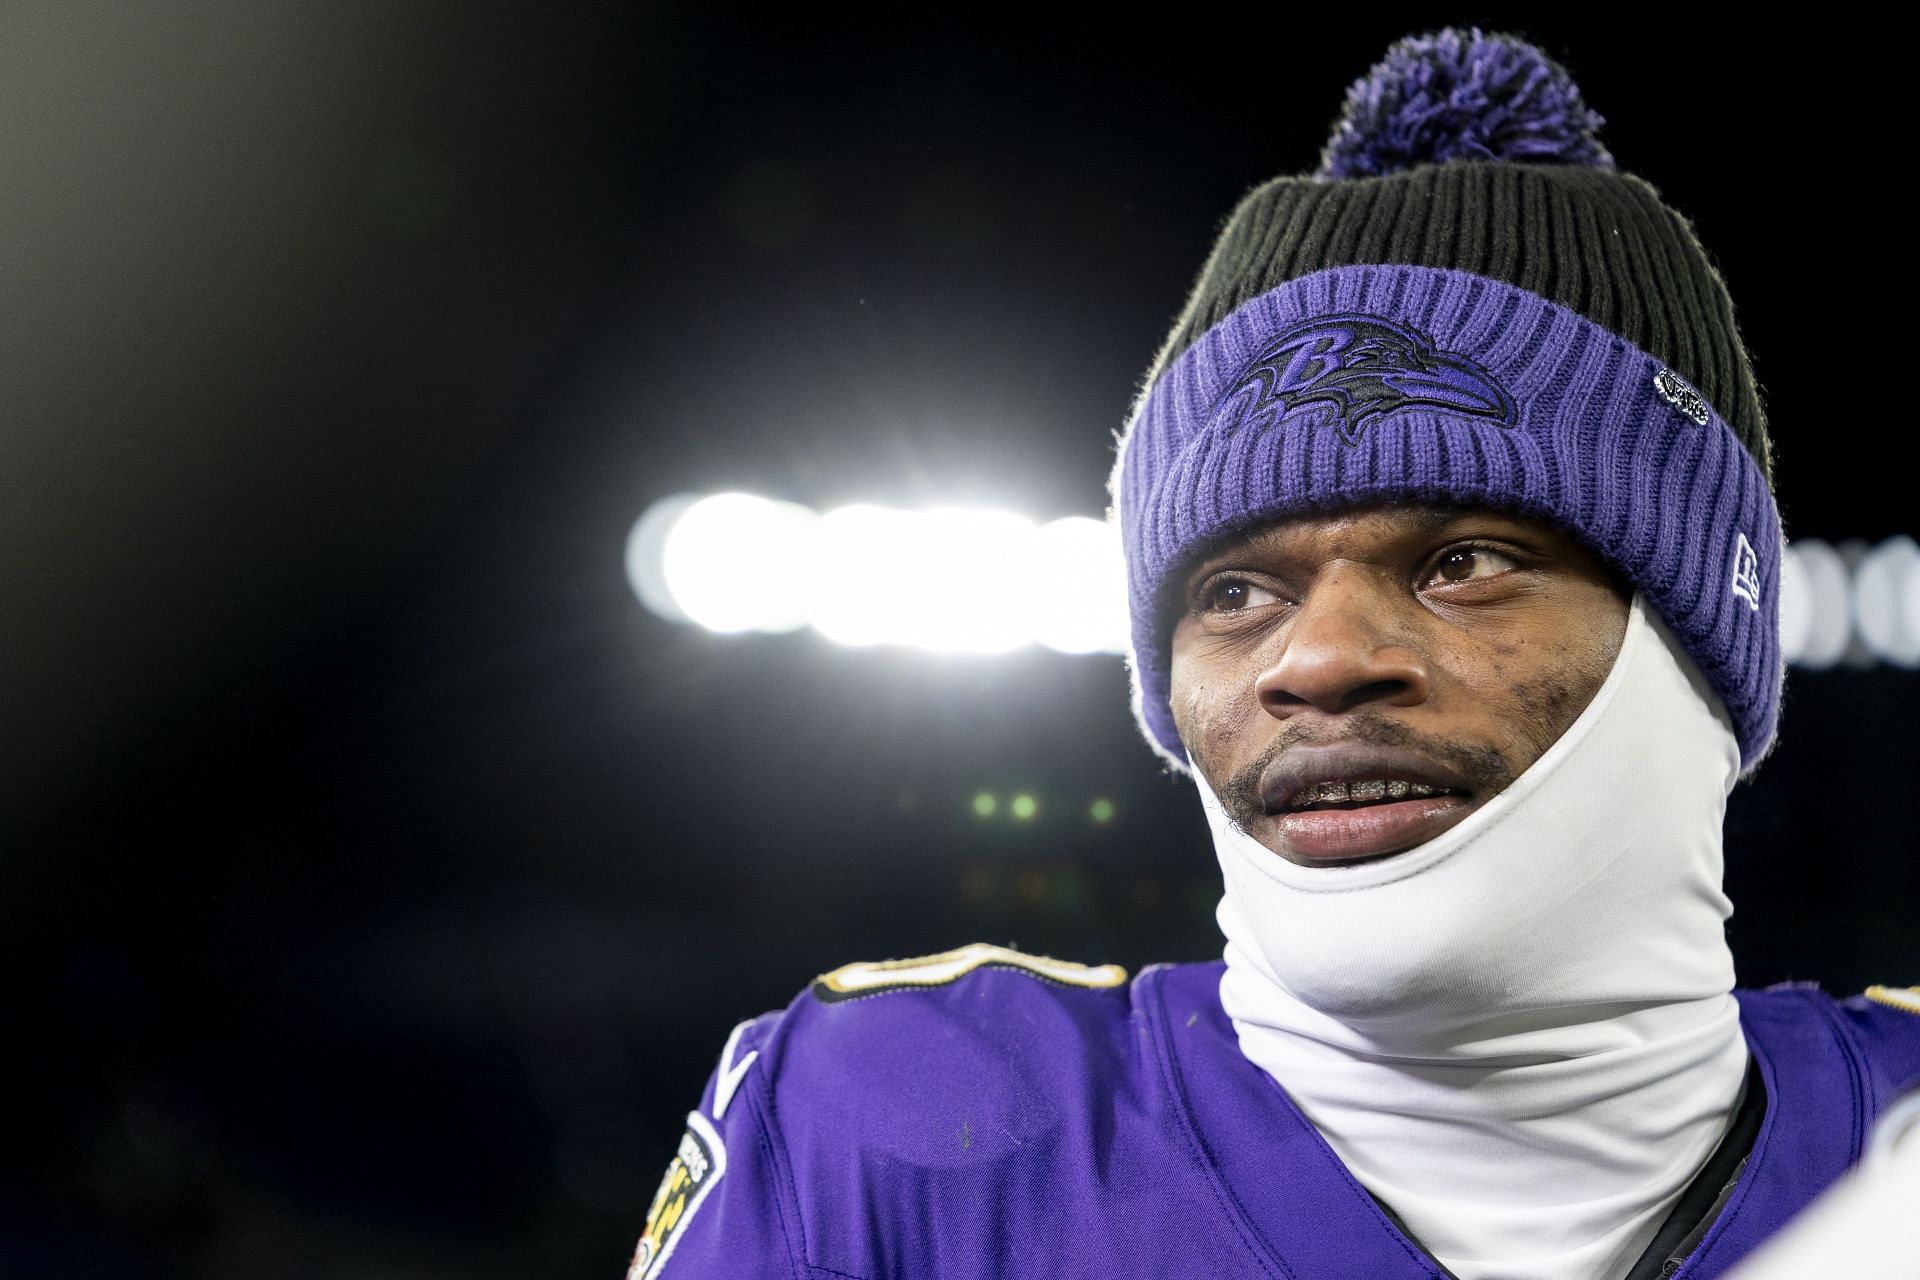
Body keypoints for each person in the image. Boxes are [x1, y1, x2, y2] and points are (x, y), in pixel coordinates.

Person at [624, 29, 1920, 1280]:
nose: (1320, 660)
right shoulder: (898, 1126)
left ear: (1698, 628)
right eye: (1235, 589)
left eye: (1463, 560)